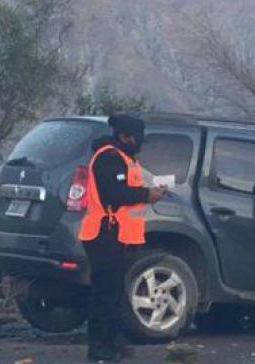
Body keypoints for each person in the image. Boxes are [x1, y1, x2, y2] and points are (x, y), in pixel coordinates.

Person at [78, 114, 166, 363]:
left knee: (114, 291)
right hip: (104, 234)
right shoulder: (109, 157)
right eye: (136, 138)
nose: (139, 143)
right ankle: (99, 349)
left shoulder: (124, 159)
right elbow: (114, 194)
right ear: (125, 136)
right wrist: (145, 194)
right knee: (104, 293)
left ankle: (113, 344)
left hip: (118, 235)